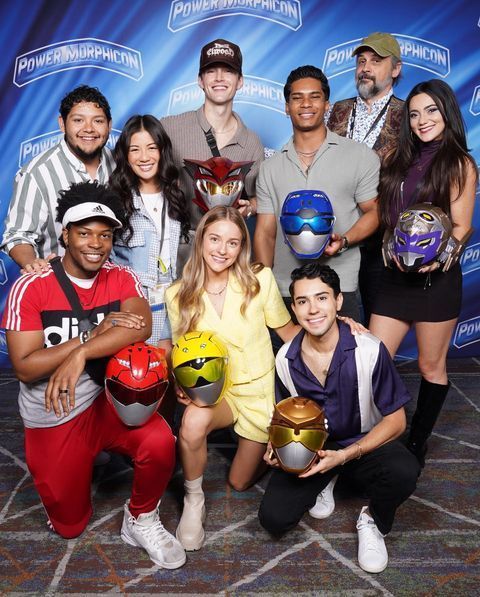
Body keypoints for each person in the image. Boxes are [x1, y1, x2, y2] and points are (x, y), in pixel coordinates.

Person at [2, 181, 186, 569]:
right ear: (65, 235)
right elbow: (24, 365)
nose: (95, 244)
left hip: (106, 404)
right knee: (70, 525)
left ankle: (140, 518)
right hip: (55, 412)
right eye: (84, 233)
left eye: (105, 235)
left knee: (160, 439)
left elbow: (137, 328)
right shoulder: (31, 286)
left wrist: (81, 353)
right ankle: (81, 464)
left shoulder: (120, 277)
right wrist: (93, 334)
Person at [258, 262, 419, 574]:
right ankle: (328, 476)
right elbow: (283, 418)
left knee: (405, 470)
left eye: (322, 298)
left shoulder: (369, 349)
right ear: (294, 308)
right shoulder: (285, 359)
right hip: (314, 449)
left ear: (338, 301)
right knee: (273, 519)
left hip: (365, 444)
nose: (313, 309)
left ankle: (372, 520)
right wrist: (275, 450)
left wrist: (346, 455)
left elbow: (397, 421)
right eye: (303, 301)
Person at [165, 206, 298, 551]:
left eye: (233, 242)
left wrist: (338, 333)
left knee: (239, 482)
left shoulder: (259, 281)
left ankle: (276, 446)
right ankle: (194, 501)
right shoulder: (177, 294)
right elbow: (182, 351)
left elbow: (288, 332)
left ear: (242, 247)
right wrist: (179, 381)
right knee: (191, 424)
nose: (222, 250)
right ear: (200, 240)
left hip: (257, 393)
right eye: (214, 239)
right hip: (216, 394)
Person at [369, 79, 478, 466]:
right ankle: (379, 432)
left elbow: (462, 226)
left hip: (435, 279)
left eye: (431, 110)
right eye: (414, 114)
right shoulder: (399, 158)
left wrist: (439, 257)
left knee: (431, 365)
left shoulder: (459, 163)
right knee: (374, 358)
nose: (422, 120)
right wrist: (387, 247)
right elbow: (389, 217)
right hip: (396, 276)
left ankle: (417, 440)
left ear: (447, 111)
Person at [254, 65, 380, 324]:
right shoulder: (269, 167)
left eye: (314, 96)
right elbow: (266, 231)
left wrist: (344, 241)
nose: (306, 104)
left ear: (327, 105)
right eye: (297, 98)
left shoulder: (359, 156)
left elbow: (375, 211)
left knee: (342, 363)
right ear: (286, 107)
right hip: (283, 288)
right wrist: (263, 285)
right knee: (286, 363)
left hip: (338, 286)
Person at [160, 38, 264, 264]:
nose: (219, 78)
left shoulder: (252, 142)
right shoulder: (170, 128)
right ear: (200, 80)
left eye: (228, 71)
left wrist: (250, 208)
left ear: (240, 81)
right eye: (211, 71)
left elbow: (260, 199)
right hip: (182, 252)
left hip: (226, 255)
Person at [327, 32, 404, 322]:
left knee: (376, 320)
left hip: (381, 239)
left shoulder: (409, 114)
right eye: (361, 61)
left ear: (395, 69)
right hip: (335, 233)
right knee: (334, 315)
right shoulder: (336, 110)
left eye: (376, 61)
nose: (366, 68)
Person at [1, 85, 115, 271]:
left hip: (112, 283)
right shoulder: (37, 173)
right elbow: (17, 235)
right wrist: (33, 262)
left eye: (98, 121)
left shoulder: (119, 163)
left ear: (109, 125)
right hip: (61, 284)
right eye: (78, 120)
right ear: (62, 124)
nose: (88, 129)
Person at [109, 114, 190, 349]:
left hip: (174, 304)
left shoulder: (177, 195)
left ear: (162, 150)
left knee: (170, 372)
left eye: (151, 148)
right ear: (126, 155)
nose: (144, 157)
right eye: (135, 150)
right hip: (133, 307)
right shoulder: (116, 200)